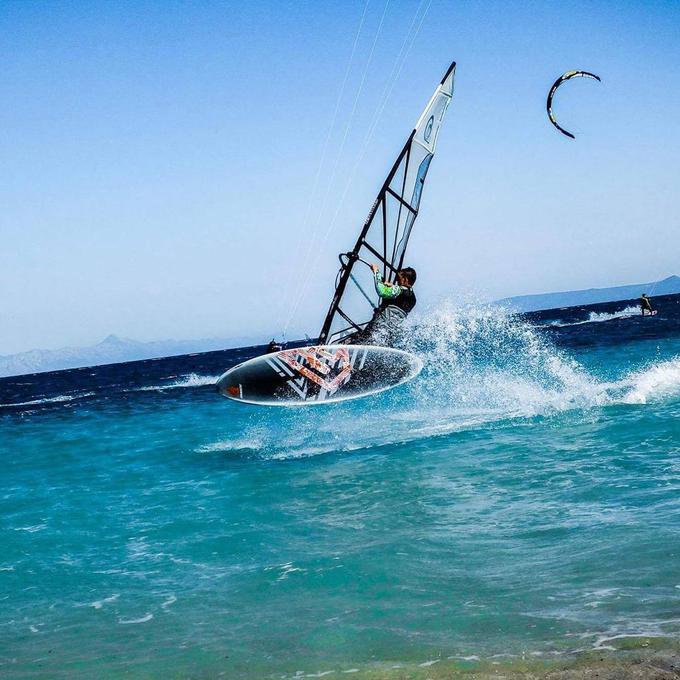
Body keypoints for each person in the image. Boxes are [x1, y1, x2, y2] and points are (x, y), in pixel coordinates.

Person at [348, 264, 417, 345]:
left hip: (378, 327)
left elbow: (382, 291)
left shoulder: (398, 290)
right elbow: (399, 303)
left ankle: (344, 352)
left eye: (399, 278)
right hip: (389, 334)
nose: (398, 281)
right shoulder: (413, 300)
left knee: (357, 340)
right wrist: (392, 287)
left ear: (405, 279)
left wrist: (376, 272)